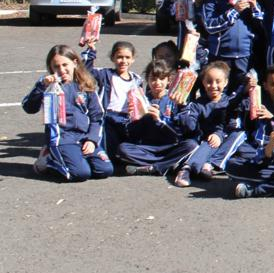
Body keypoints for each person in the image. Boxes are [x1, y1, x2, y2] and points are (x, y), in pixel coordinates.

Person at [22, 44, 113, 181]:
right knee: (80, 174)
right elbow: (29, 107)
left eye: (65, 65)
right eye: (56, 66)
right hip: (62, 138)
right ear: (51, 68)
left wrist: (92, 140)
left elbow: (97, 117)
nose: (62, 70)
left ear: (75, 63)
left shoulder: (85, 85)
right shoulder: (49, 87)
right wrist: (41, 86)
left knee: (104, 170)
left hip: (83, 137)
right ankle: (48, 161)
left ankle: (72, 158)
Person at [117, 59, 198, 187]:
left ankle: (155, 167)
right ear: (147, 81)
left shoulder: (174, 99)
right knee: (122, 149)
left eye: (161, 79)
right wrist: (138, 117)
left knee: (191, 145)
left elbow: (181, 133)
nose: (157, 83)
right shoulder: (142, 99)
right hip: (148, 148)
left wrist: (159, 121)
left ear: (169, 80)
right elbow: (132, 134)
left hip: (170, 146)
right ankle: (169, 165)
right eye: (153, 79)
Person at [180, 61, 249, 179]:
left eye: (218, 81)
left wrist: (247, 86)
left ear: (226, 82)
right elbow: (191, 126)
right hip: (207, 140)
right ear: (203, 82)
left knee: (240, 135)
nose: (213, 85)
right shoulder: (198, 104)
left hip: (225, 139)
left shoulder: (229, 101)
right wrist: (183, 108)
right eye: (209, 81)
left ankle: (207, 164)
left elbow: (239, 99)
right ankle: (189, 168)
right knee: (209, 143)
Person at [201, 0, 263, 90]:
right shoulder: (211, 2)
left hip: (244, 57)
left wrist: (254, 7)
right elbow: (210, 26)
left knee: (242, 92)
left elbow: (261, 27)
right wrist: (234, 11)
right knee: (219, 92)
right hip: (221, 57)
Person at [80, 39, 141, 158]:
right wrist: (91, 51)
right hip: (109, 118)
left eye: (127, 57)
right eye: (119, 57)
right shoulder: (106, 74)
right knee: (109, 148)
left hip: (127, 119)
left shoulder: (136, 79)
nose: (123, 61)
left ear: (133, 59)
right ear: (112, 58)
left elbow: (141, 100)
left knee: (127, 145)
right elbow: (86, 72)